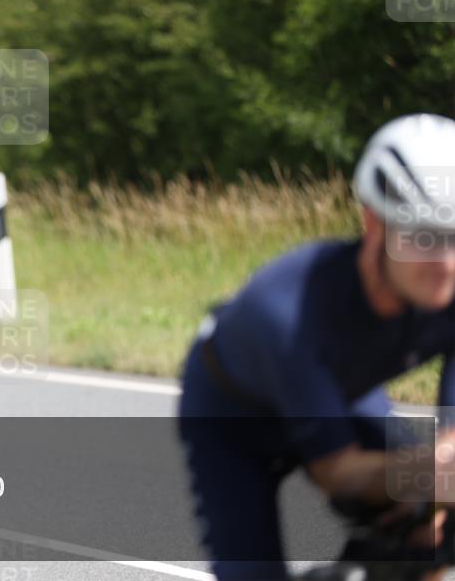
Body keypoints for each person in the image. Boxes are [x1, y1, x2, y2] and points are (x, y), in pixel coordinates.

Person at [177, 113, 455, 581]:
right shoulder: (288, 310)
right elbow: (338, 471)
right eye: (424, 238)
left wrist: (433, 503)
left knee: (432, 535)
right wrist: (429, 478)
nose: (445, 263)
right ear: (373, 223)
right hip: (233, 422)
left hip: (336, 393)